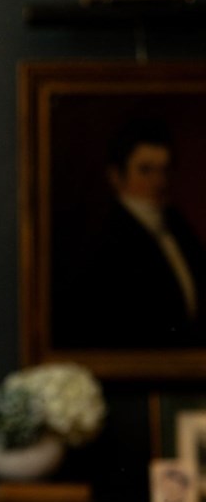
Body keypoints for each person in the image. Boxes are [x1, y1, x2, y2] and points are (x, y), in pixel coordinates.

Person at [66, 117, 206, 349]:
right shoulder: (105, 239)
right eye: (145, 170)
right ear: (116, 176)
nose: (159, 181)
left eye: (165, 169)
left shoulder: (178, 227)